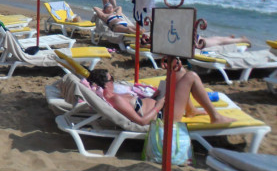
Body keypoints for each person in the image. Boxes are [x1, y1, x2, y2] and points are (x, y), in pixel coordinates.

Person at [87, 64, 236, 126]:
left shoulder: (113, 97)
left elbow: (139, 107)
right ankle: (215, 117)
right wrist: (158, 105)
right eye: (111, 79)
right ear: (106, 84)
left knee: (179, 71)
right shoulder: (116, 99)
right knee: (191, 76)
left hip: (160, 106)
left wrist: (153, 98)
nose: (113, 81)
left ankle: (191, 110)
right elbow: (142, 121)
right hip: (164, 116)